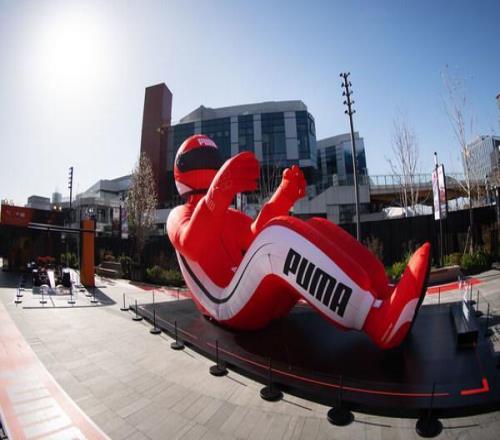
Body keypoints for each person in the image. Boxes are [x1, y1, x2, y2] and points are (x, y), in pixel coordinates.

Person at [167, 135, 430, 349]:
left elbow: (254, 234)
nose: (207, 162)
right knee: (275, 238)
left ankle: (382, 290)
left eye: (210, 157)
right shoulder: (179, 215)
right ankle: (376, 320)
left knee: (314, 225)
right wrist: (217, 194)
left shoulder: (228, 214)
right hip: (224, 304)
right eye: (201, 158)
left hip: (257, 300)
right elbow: (192, 244)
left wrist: (282, 197)